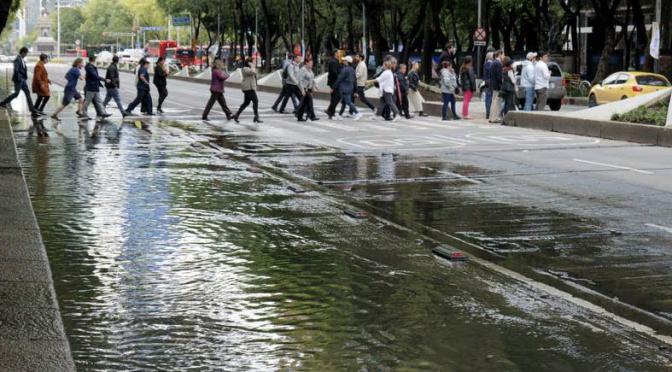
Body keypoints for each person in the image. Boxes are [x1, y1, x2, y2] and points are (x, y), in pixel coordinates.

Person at [0, 47, 38, 115]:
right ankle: (3, 103)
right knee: (16, 93)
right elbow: (16, 70)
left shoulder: (21, 59)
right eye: (26, 53)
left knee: (27, 93)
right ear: (23, 52)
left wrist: (24, 77)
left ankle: (32, 109)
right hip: (19, 79)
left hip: (23, 79)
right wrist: (20, 78)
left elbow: (23, 69)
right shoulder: (18, 59)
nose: (26, 55)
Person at [232, 57, 262, 123]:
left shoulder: (248, 68)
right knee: (255, 101)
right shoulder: (246, 69)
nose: (253, 63)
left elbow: (255, 73)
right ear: (249, 62)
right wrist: (252, 65)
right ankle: (256, 117)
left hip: (249, 87)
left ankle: (237, 115)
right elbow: (253, 72)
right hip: (248, 88)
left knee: (246, 103)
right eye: (252, 62)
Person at [82, 55, 111, 119]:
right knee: (87, 101)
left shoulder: (91, 66)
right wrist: (105, 80)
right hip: (91, 87)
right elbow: (95, 76)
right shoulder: (90, 67)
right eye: (96, 58)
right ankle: (84, 114)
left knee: (99, 101)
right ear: (94, 59)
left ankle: (103, 113)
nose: (96, 60)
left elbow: (95, 76)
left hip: (95, 86)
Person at [333, 56, 361, 121]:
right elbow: (355, 81)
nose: (343, 61)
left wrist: (334, 87)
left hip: (345, 88)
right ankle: (339, 115)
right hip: (350, 88)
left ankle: (357, 113)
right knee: (344, 102)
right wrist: (355, 91)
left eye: (344, 60)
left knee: (348, 102)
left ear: (347, 62)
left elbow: (339, 79)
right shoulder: (352, 70)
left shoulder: (345, 69)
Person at [353, 52, 375, 118]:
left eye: (357, 56)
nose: (355, 57)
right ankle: (351, 111)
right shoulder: (360, 64)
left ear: (360, 58)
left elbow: (359, 74)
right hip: (359, 83)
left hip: (360, 84)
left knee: (362, 99)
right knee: (355, 97)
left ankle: (373, 108)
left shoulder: (362, 65)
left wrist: (352, 76)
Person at [325, 49, 342, 119]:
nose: (340, 53)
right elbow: (334, 73)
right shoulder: (333, 62)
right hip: (334, 83)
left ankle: (331, 112)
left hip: (335, 82)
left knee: (335, 97)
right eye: (339, 52)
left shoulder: (336, 61)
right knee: (336, 97)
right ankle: (330, 111)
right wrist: (339, 79)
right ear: (335, 54)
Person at [488, 50, 504, 123]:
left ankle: (492, 117)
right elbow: (499, 76)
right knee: (497, 102)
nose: (503, 56)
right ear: (500, 55)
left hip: (492, 84)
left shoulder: (492, 62)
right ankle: (495, 117)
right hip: (497, 85)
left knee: (493, 101)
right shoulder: (498, 64)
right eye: (503, 55)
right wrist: (501, 84)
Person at [483, 52, 494, 120]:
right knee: (490, 98)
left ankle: (488, 112)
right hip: (490, 82)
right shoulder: (490, 64)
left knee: (488, 98)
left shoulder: (485, 64)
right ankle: (489, 112)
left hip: (487, 82)